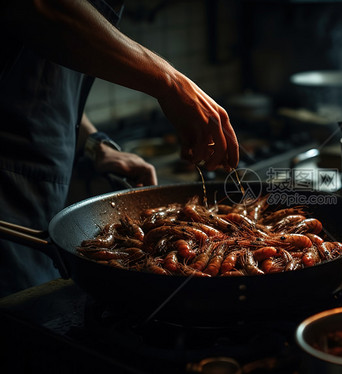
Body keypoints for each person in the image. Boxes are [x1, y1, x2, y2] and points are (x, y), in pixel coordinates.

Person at [0, 0, 239, 297]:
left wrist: (93, 143)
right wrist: (170, 81)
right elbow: (40, 8)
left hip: (42, 185)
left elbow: (44, 77)